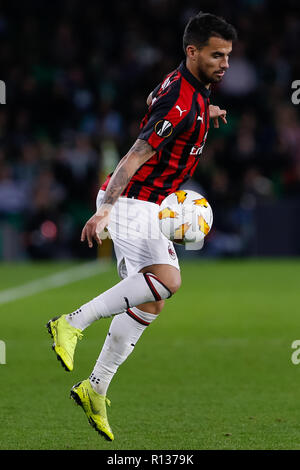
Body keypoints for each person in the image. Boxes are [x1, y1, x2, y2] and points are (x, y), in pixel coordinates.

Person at [46, 12, 237, 441]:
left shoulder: (190, 90)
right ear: (192, 52)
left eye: (227, 56)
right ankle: (72, 323)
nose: (225, 63)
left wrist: (209, 111)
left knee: (151, 301)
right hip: (131, 200)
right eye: (216, 55)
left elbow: (189, 108)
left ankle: (94, 389)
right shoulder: (182, 102)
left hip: (148, 204)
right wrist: (104, 210)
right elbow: (134, 155)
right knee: (167, 279)